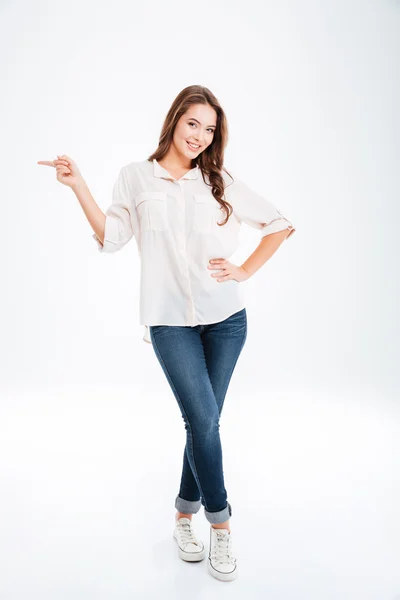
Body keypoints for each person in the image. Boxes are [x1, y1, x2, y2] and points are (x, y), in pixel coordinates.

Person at [37, 84, 295, 582]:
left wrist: (243, 269)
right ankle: (221, 526)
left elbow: (279, 223)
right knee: (204, 422)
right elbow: (112, 239)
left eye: (210, 129)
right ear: (175, 120)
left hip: (226, 322)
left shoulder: (218, 180)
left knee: (204, 426)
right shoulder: (136, 177)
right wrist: (77, 186)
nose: (200, 136)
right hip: (169, 323)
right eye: (193, 123)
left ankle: (183, 516)